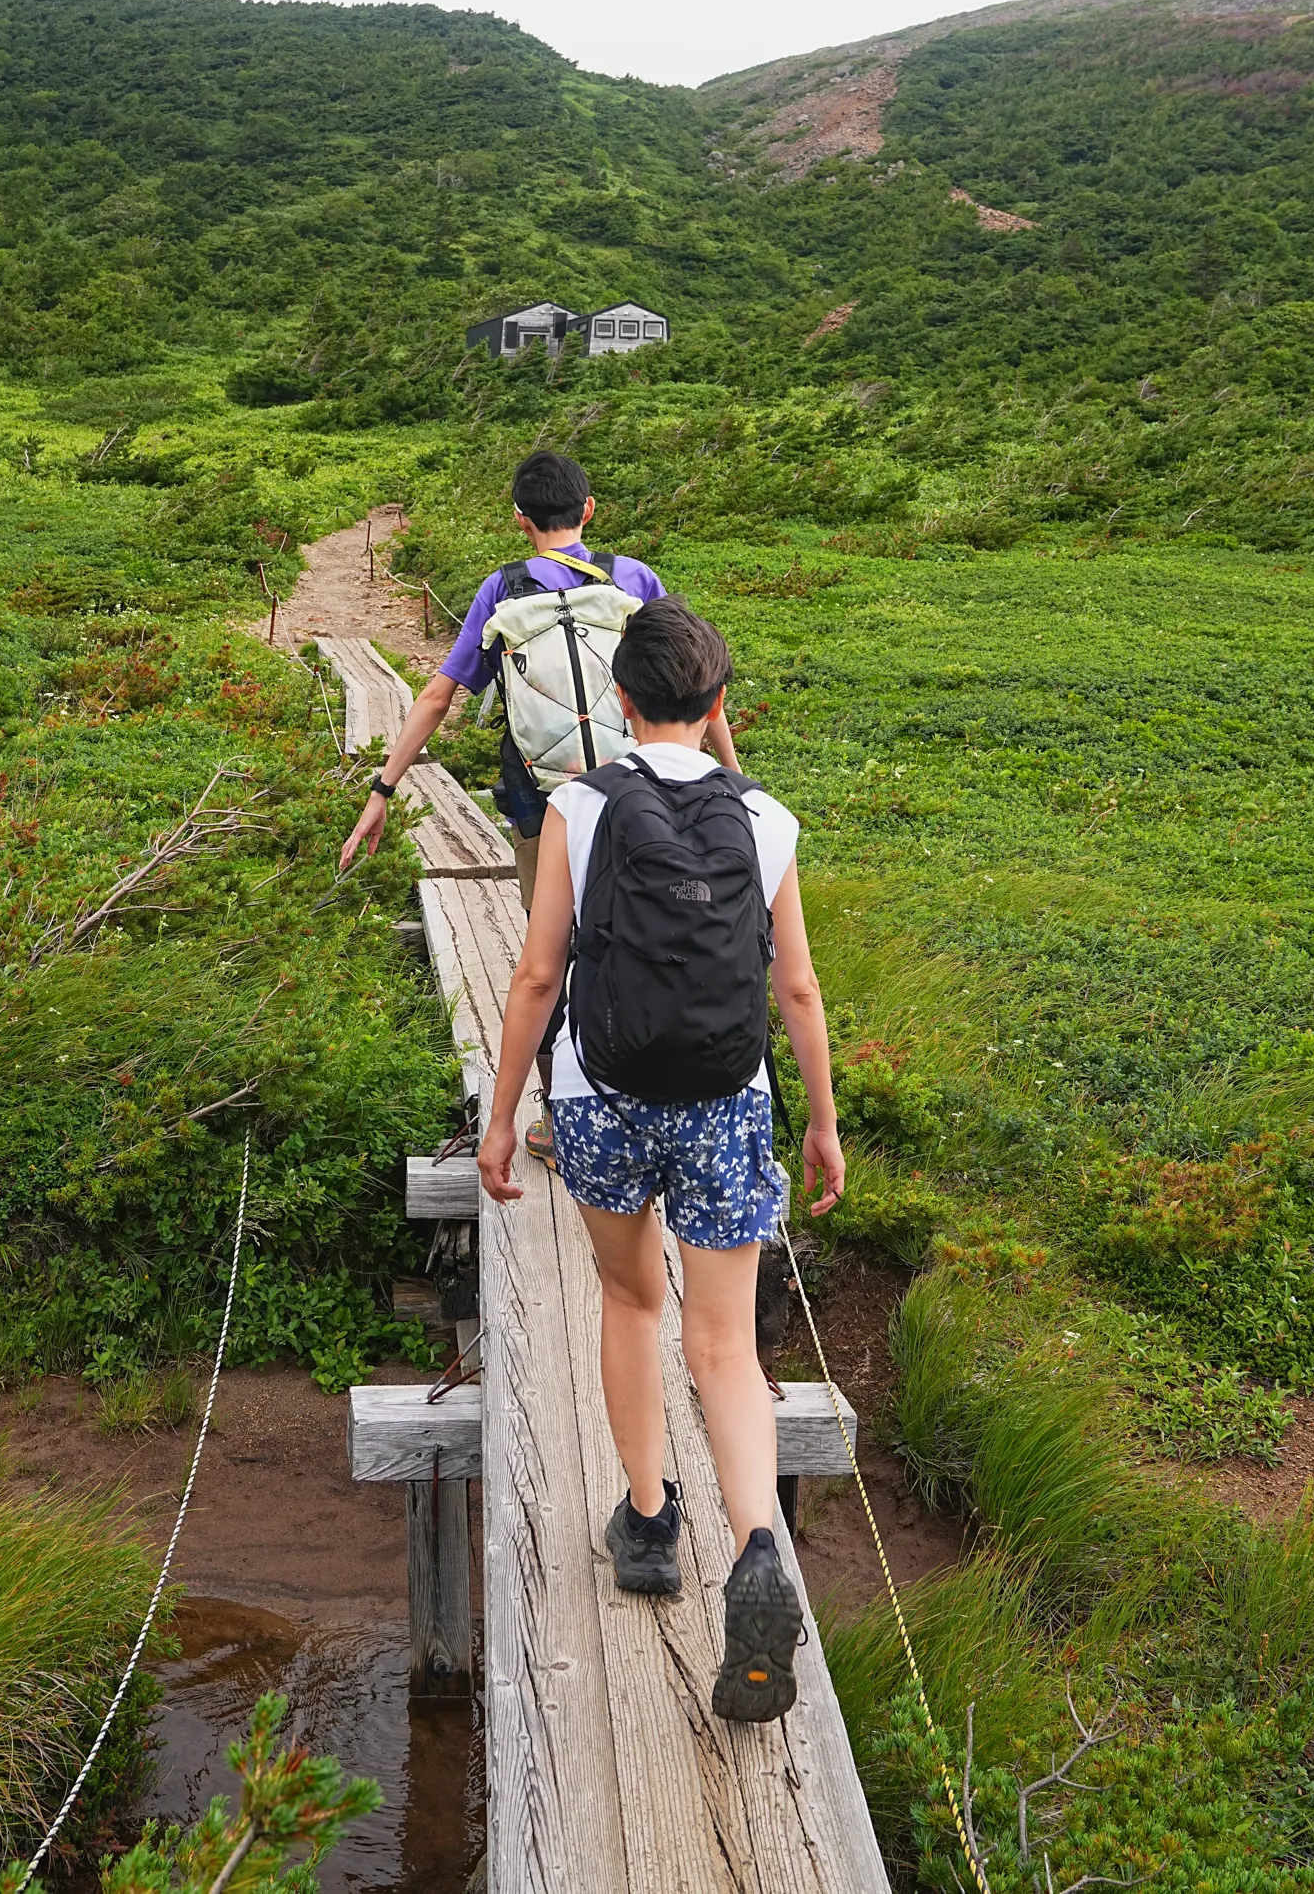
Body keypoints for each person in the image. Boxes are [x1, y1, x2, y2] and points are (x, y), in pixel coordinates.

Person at [475, 597, 844, 1724]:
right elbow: (795, 987)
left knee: (632, 1303)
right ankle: (757, 1545)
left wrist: (500, 1118)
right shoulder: (767, 818)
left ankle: (646, 1524)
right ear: (719, 705)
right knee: (725, 1347)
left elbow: (539, 978)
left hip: (601, 1098)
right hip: (730, 1102)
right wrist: (822, 1121)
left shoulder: (578, 808)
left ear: (620, 705)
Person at [337, 450, 739, 1163]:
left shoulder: (501, 590)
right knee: (647, 932)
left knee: (551, 952)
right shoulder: (636, 578)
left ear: (519, 518)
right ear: (588, 510)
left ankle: (559, 1122)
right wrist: (734, 782)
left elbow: (437, 695)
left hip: (545, 804)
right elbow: (692, 685)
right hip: (646, 794)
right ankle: (654, 1093)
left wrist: (382, 791)